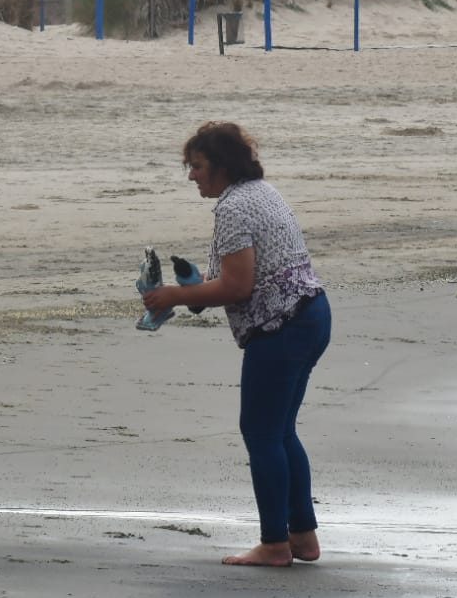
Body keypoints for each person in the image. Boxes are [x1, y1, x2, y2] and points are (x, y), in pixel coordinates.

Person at [141, 122, 331, 567]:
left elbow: (238, 287)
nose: (191, 175)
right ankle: (302, 537)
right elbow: (236, 280)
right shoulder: (261, 192)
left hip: (281, 327)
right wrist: (193, 289)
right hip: (311, 315)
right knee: (281, 432)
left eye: (198, 166)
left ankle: (275, 544)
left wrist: (175, 295)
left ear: (222, 167)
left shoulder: (233, 209)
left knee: (262, 433)